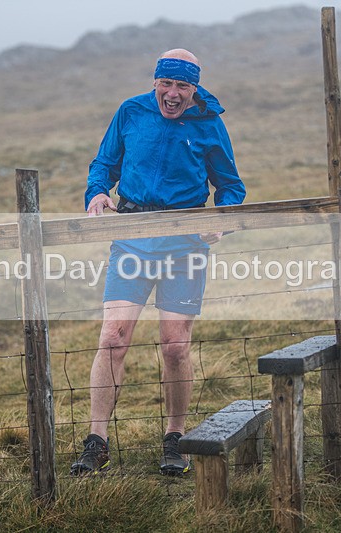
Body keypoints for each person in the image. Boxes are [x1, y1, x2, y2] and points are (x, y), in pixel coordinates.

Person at [71, 48, 245, 476]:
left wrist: (221, 219)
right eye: (166, 84)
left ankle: (175, 439)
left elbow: (231, 186)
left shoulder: (209, 124)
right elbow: (104, 164)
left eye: (182, 86)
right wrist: (97, 193)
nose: (173, 93)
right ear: (155, 82)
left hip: (185, 246)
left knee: (174, 345)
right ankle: (97, 442)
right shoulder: (130, 112)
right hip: (131, 241)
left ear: (194, 88)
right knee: (112, 337)